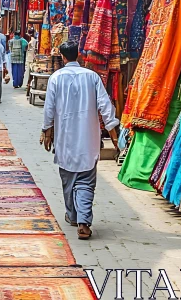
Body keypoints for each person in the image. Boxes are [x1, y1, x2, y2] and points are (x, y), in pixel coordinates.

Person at [41, 41, 119, 240]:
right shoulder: (91, 76)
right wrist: (114, 135)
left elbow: (48, 109)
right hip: (87, 138)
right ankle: (83, 221)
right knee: (85, 181)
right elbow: (105, 106)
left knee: (68, 180)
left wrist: (46, 132)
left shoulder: (56, 78)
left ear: (63, 57)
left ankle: (74, 216)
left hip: (65, 139)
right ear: (79, 56)